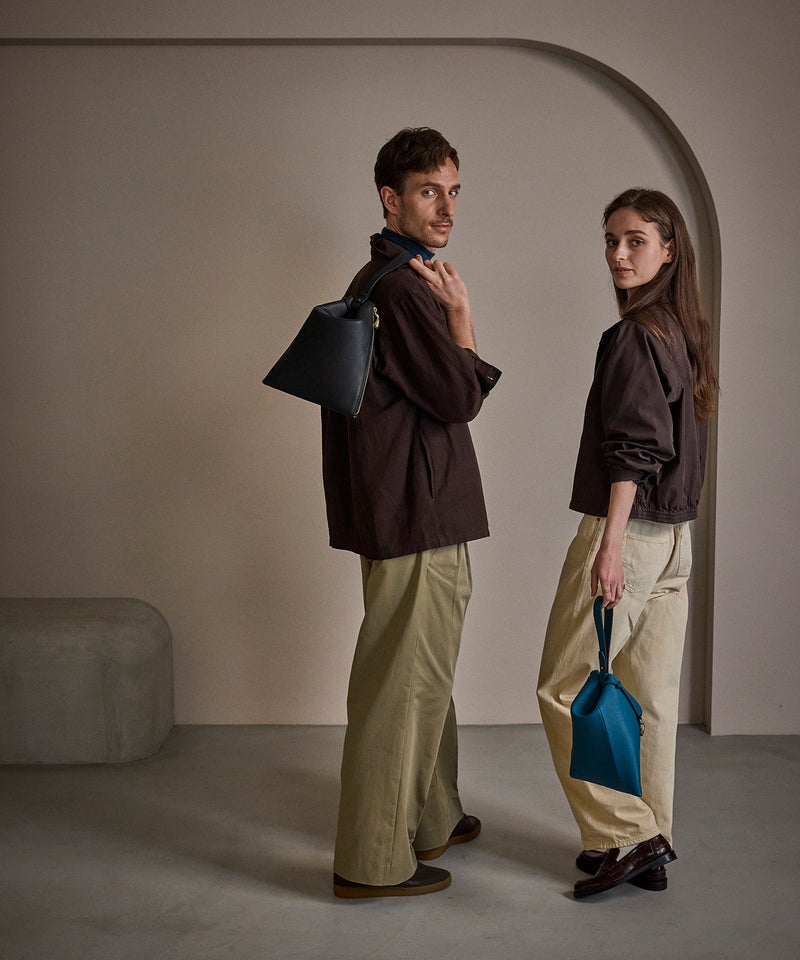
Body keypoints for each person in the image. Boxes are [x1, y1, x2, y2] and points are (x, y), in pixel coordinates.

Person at [323, 127, 501, 899]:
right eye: (430, 191)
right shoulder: (404, 289)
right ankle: (371, 862)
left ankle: (433, 816)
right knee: (405, 684)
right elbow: (459, 398)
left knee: (422, 671)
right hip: (420, 514)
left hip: (401, 509)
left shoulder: (377, 277)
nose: (446, 207)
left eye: (453, 191)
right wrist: (461, 317)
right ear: (390, 199)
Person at [537, 188, 718, 898]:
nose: (618, 254)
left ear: (668, 250)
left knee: (565, 688)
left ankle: (629, 834)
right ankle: (648, 838)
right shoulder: (683, 333)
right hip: (675, 540)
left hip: (631, 536)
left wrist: (609, 545)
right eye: (611, 240)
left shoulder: (636, 336)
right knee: (648, 699)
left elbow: (635, 449)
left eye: (636, 240)